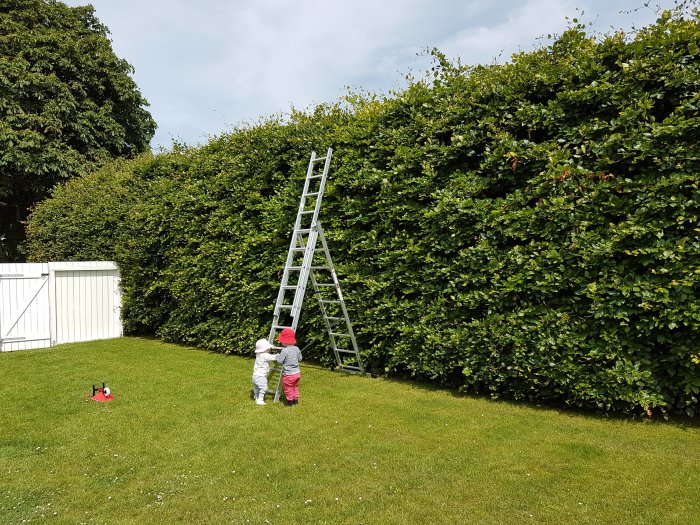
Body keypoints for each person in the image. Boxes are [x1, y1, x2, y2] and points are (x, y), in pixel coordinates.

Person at [275, 328, 302, 405]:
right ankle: (295, 400)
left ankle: (290, 402)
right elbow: (300, 359)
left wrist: (277, 357)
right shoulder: (297, 348)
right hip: (297, 373)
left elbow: (280, 362)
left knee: (288, 388)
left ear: (284, 341)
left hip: (289, 374)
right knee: (295, 386)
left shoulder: (284, 350)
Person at [252, 339, 277, 405]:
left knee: (256, 388)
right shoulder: (265, 355)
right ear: (265, 349)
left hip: (255, 375)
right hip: (261, 376)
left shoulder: (258, 354)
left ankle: (256, 397)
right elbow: (273, 357)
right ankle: (260, 400)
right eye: (269, 348)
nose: (270, 349)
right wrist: (279, 355)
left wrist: (270, 347)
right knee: (264, 388)